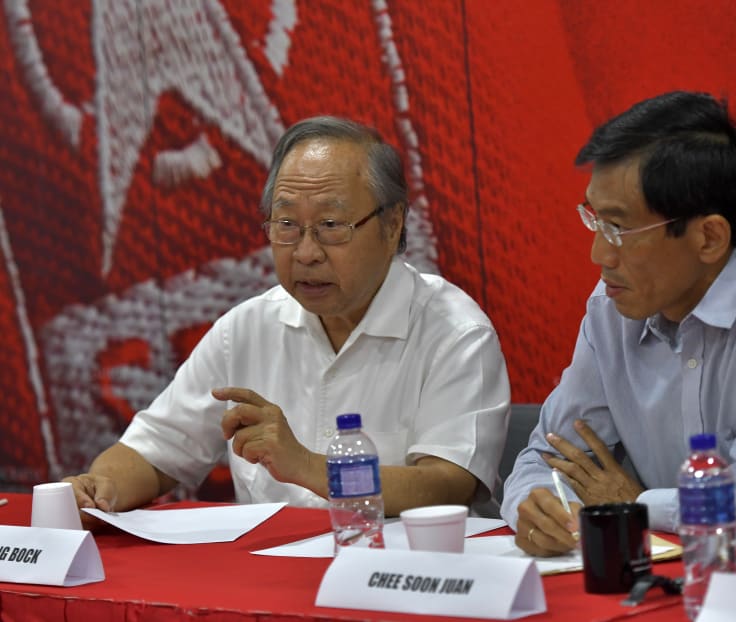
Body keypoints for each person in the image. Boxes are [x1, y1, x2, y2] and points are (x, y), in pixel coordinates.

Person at [66, 116, 510, 526]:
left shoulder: (454, 332)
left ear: (392, 224)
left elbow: (448, 484)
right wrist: (101, 488)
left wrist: (308, 467)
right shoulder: (245, 329)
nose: (306, 253)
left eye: (331, 225)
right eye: (286, 226)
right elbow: (154, 449)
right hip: (270, 585)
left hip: (401, 580)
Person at [501, 91, 736, 555]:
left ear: (709, 237)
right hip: (669, 580)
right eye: (595, 221)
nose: (599, 255)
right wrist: (538, 507)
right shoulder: (613, 307)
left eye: (618, 228)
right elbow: (547, 457)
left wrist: (634, 505)